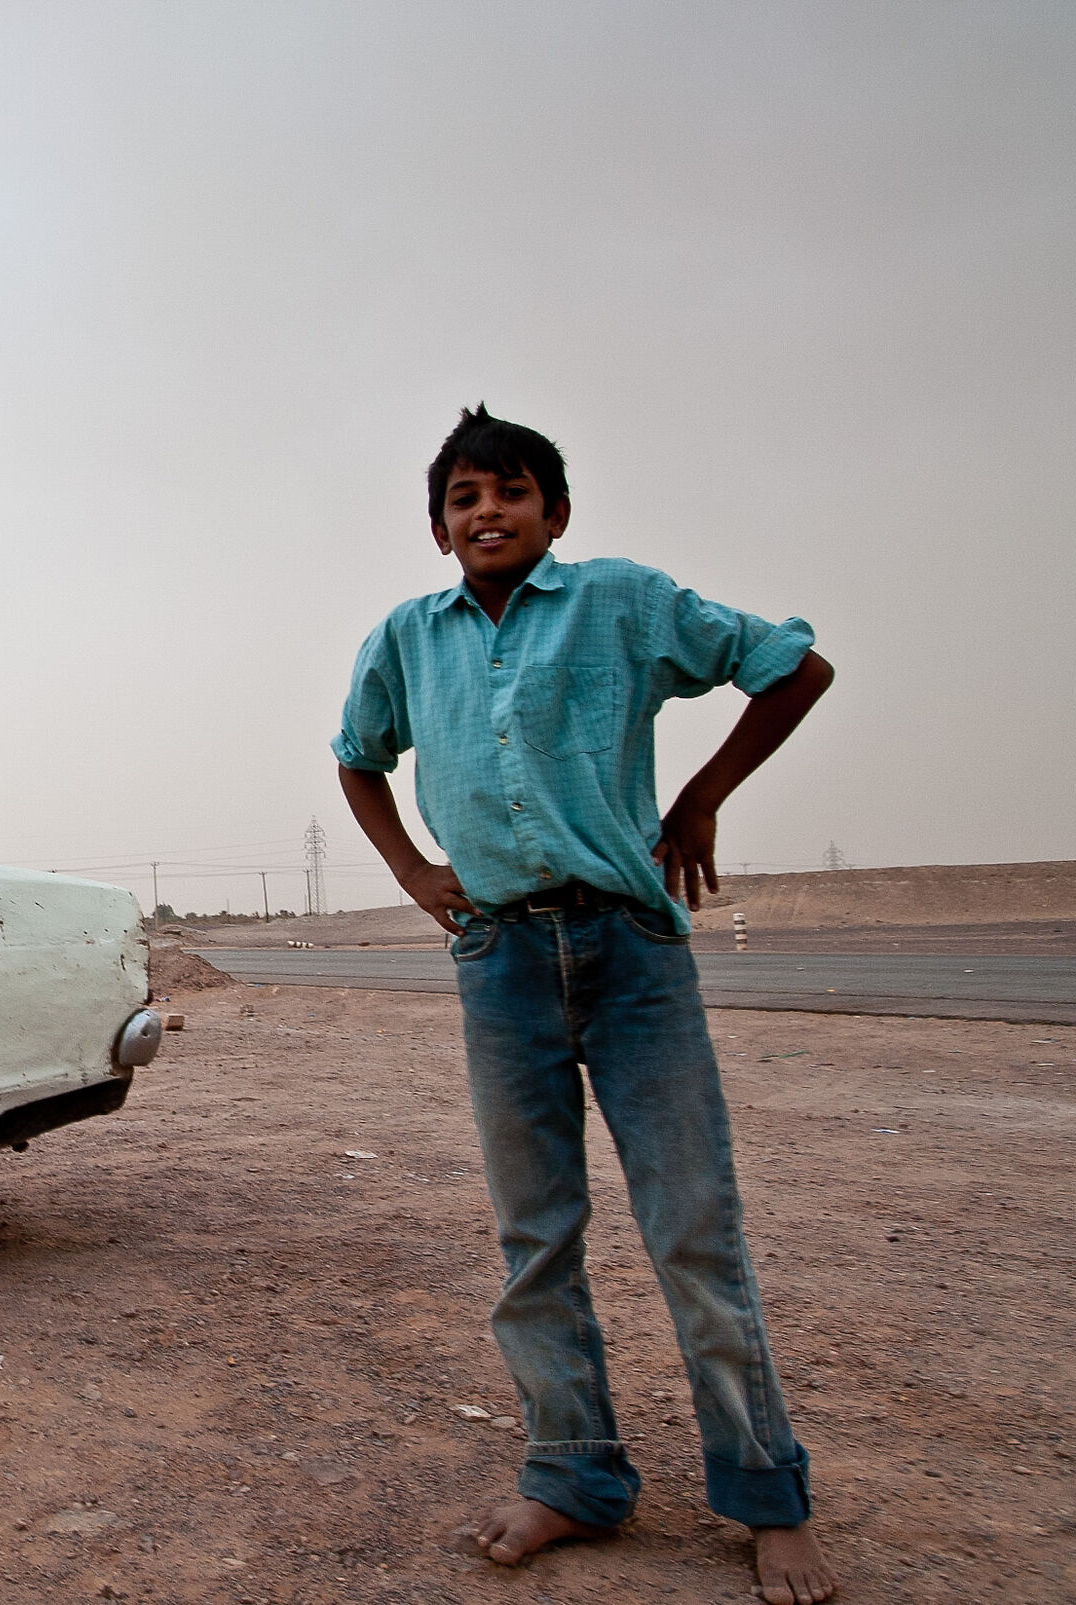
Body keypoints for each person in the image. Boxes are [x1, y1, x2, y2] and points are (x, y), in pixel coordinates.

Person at [331, 406, 840, 1605]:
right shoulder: (409, 638)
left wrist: (704, 794)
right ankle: (574, 1475)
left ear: (554, 514)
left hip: (630, 956)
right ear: (440, 527)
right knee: (534, 1236)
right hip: (499, 962)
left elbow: (791, 666)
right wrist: (410, 872)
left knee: (692, 1229)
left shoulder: (618, 600)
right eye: (464, 498)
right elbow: (358, 753)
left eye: (511, 493)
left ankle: (766, 1493)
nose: (487, 513)